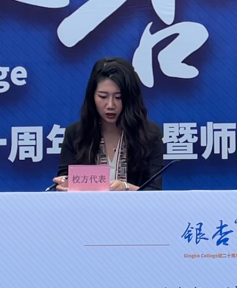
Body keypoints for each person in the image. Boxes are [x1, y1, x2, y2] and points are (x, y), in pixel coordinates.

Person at [52, 58, 164, 191]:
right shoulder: (76, 134)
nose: (110, 105)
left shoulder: (149, 134)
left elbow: (155, 191)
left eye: (118, 97)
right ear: (92, 96)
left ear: (130, 98)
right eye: (103, 96)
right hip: (87, 204)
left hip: (134, 205)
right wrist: (64, 184)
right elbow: (64, 182)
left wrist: (126, 187)